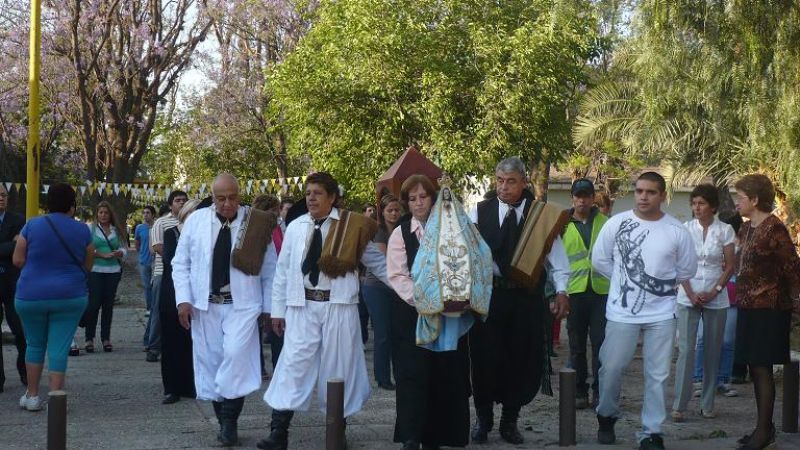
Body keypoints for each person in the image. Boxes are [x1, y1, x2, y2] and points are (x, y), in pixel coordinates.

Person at [259, 172, 389, 450]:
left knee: (338, 367)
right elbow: (282, 271)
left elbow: (378, 263)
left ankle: (337, 429)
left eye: (318, 193)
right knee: (292, 365)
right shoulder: (295, 227)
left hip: (338, 306)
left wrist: (412, 289)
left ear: (332, 197)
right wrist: (277, 310)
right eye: (308, 193)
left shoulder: (349, 226)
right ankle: (278, 432)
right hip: (302, 306)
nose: (311, 198)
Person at [468, 157, 571, 445]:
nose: (504, 187)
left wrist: (562, 291)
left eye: (511, 181)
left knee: (520, 359)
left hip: (526, 299)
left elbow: (558, 261)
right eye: (500, 180)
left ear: (524, 182)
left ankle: (509, 422)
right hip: (489, 298)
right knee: (484, 359)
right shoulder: (478, 212)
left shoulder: (541, 216)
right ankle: (483, 419)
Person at [591, 172, 697, 450]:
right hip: (622, 312)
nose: (643, 197)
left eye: (650, 192)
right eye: (639, 191)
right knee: (611, 367)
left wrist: (656, 287)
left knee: (658, 374)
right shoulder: (617, 224)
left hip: (661, 314)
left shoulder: (676, 230)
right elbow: (600, 260)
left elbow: (687, 270)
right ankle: (606, 414)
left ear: (662, 195)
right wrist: (624, 280)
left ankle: (651, 432)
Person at [386, 175, 493, 450]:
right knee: (413, 377)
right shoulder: (401, 232)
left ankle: (439, 437)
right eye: (412, 198)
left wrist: (461, 295)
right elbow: (397, 275)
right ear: (406, 203)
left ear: (433, 198)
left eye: (423, 196)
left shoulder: (455, 228)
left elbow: (478, 256)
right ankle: (411, 437)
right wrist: (426, 300)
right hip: (412, 316)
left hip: (450, 319)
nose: (418, 202)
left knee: (445, 377)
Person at [172, 174, 277, 446]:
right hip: (205, 306)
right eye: (221, 198)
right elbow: (180, 263)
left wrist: (268, 308)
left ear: (239, 195)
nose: (227, 203)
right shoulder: (195, 222)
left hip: (242, 305)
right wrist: (183, 300)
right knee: (213, 364)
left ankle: (229, 422)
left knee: (235, 358)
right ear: (213, 197)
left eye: (232, 197)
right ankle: (224, 424)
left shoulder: (256, 222)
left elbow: (270, 269)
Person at [732, 174, 800, 450]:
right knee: (753, 366)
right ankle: (763, 427)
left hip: (770, 309)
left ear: (756, 200)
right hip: (747, 307)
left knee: (762, 368)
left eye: (741, 198)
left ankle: (764, 430)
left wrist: (795, 304)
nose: (737, 202)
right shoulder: (747, 229)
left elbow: (792, 269)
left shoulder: (775, 229)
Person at [13, 183, 93, 411]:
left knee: (34, 344)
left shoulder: (31, 225)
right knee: (59, 347)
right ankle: (56, 399)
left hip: (30, 295)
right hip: (70, 296)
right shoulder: (82, 230)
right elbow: (88, 265)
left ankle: (32, 395)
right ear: (72, 204)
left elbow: (17, 260)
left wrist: (38, 269)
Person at [671, 184, 736, 422]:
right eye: (694, 203)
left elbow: (730, 265)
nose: (696, 208)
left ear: (713, 206)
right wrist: (689, 292)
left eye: (702, 203)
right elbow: (677, 264)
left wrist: (715, 290)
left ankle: (707, 403)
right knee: (686, 350)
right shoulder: (685, 229)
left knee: (711, 350)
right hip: (687, 294)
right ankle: (679, 404)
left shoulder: (725, 230)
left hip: (716, 297)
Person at [562, 178, 610, 410]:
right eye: (578, 195)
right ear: (572, 197)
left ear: (593, 198)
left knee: (601, 344)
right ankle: (580, 391)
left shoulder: (606, 222)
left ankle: (599, 391)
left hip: (601, 293)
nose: (582, 200)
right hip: (575, 292)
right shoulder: (561, 224)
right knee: (577, 345)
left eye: (586, 195)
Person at [693, 213, 744, 397]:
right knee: (702, 338)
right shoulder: (712, 238)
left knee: (728, 341)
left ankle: (722, 379)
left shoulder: (743, 244)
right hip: (709, 293)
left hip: (733, 297)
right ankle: (699, 378)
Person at [159, 198, 201, 405]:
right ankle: (172, 388)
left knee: (192, 341)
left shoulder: (204, 236)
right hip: (171, 293)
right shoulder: (172, 233)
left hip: (196, 295)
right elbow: (170, 259)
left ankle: (191, 385)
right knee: (171, 341)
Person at [362, 194, 403, 391]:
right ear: (382, 212)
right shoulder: (379, 232)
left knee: (395, 333)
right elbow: (385, 263)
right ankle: (382, 377)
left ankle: (397, 373)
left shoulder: (403, 229)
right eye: (390, 210)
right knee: (383, 333)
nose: (394, 213)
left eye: (397, 210)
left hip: (397, 287)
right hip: (377, 287)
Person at [146, 191, 188, 362]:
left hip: (185, 275)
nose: (181, 203)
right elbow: (157, 246)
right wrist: (177, 258)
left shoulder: (192, 222)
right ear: (171, 205)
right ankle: (154, 347)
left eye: (184, 200)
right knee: (158, 310)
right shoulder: (161, 222)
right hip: (162, 273)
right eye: (178, 200)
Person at [84, 201, 127, 353]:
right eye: (100, 212)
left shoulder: (117, 230)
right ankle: (89, 338)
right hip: (95, 270)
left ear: (110, 215)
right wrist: (99, 254)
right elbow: (85, 248)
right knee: (93, 305)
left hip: (113, 271)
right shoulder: (90, 228)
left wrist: (119, 253)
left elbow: (124, 247)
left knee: (108, 306)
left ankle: (106, 338)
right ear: (97, 214)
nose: (103, 215)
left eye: (106, 213)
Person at [0, 184, 27, 393]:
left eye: (4, 195)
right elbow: (13, 246)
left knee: (20, 331)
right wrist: (10, 245)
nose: (1, 198)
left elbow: (21, 247)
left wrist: (12, 246)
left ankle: (25, 371)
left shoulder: (17, 220)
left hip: (13, 282)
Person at [134, 206, 156, 314]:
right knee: (147, 286)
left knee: (156, 285)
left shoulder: (157, 226)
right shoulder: (139, 228)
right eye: (144, 213)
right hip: (144, 261)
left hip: (156, 261)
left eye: (148, 213)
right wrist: (142, 253)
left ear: (153, 214)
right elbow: (137, 243)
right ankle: (149, 308)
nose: (145, 215)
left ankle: (156, 307)